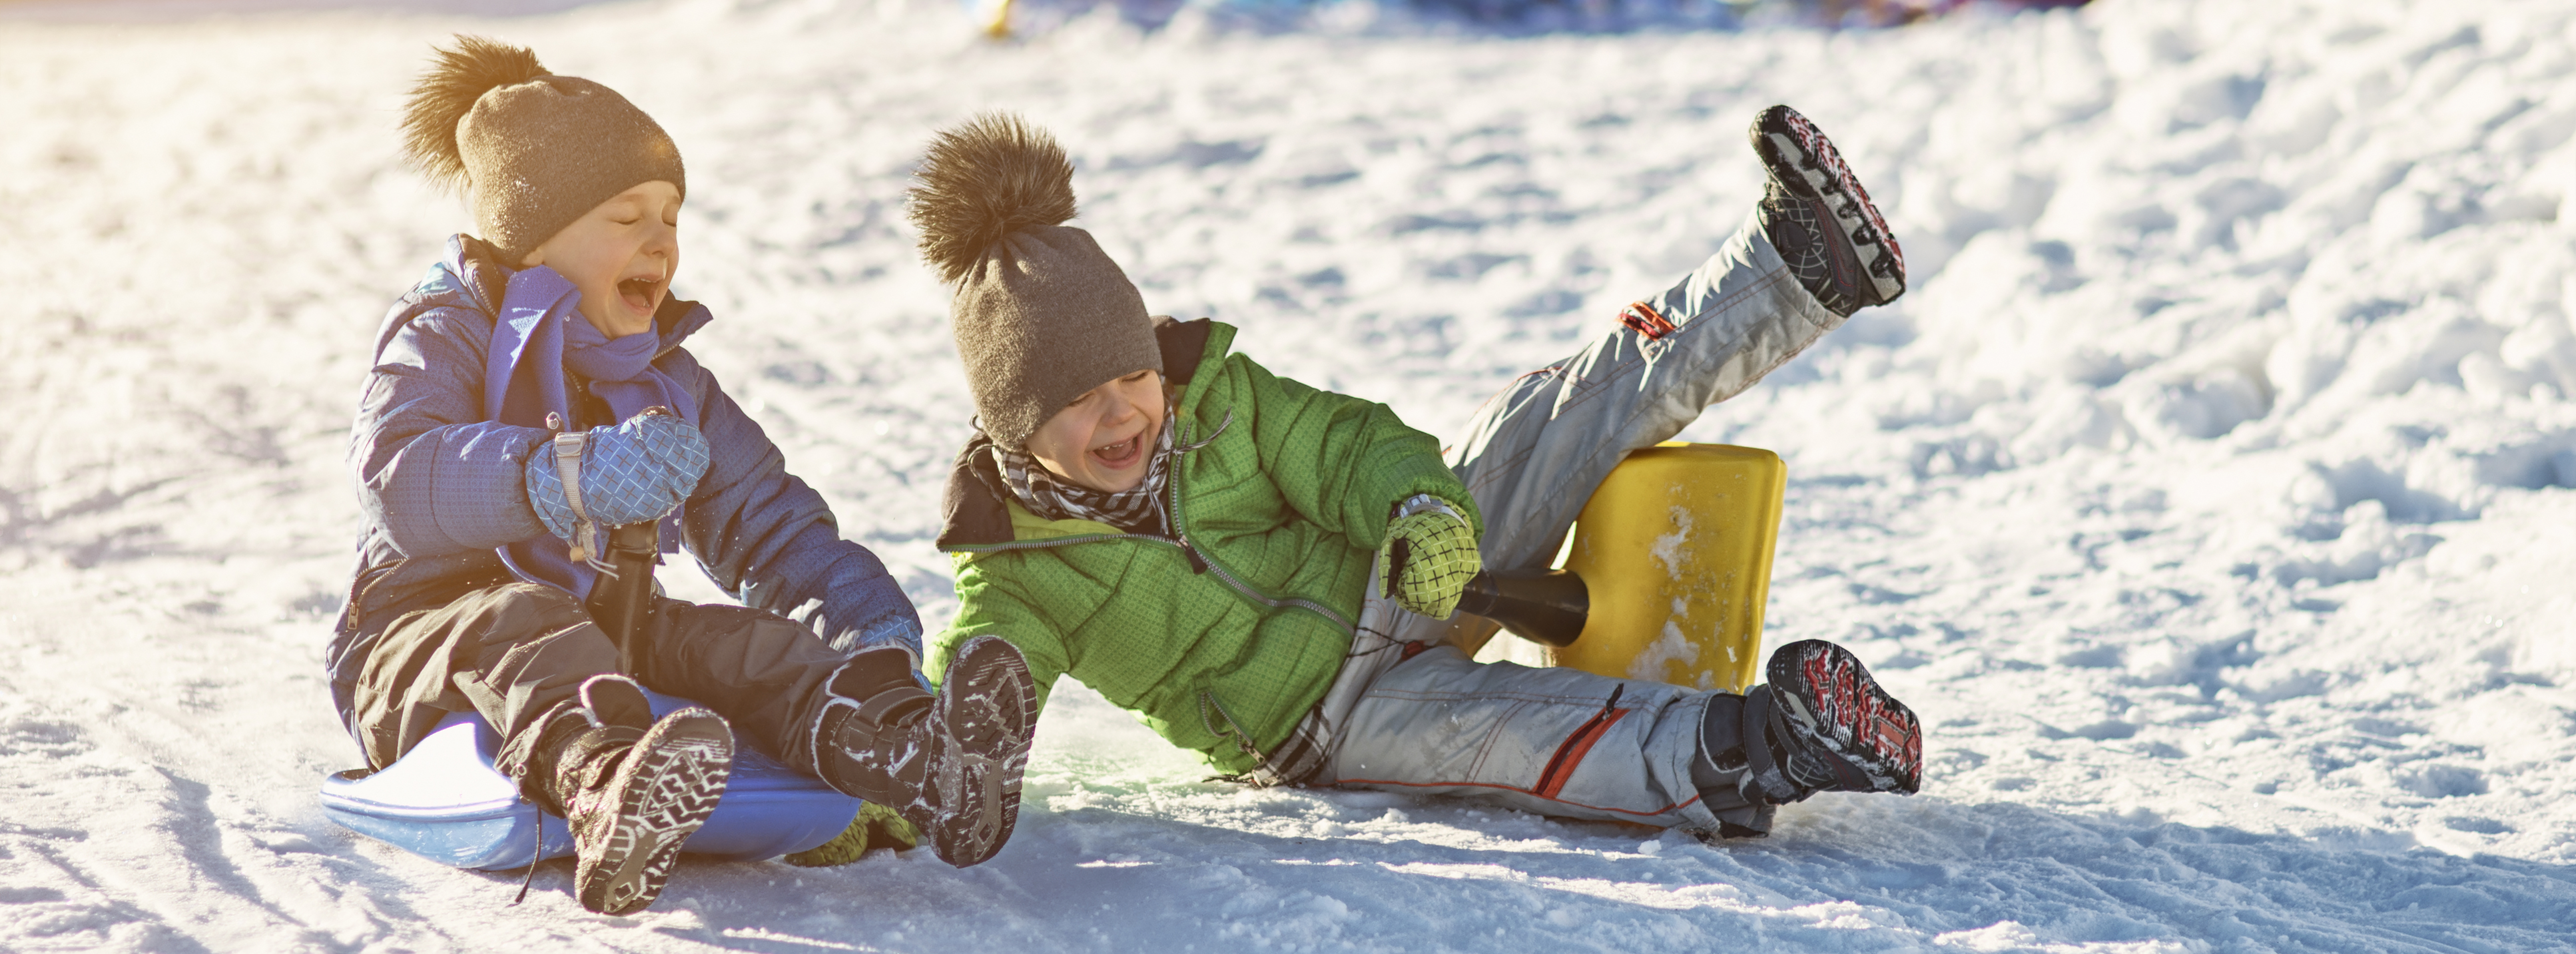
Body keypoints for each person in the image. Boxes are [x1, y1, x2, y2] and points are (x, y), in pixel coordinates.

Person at [911, 106, 1922, 840]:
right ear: (1018, 423)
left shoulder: (1220, 398)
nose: (1125, 408)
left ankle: (1791, 269)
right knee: (1510, 737)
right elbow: (974, 690)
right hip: (1326, 725)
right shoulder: (1018, 572)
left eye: (1133, 372)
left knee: (1547, 413)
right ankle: (1759, 747)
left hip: (1395, 570)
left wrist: (1422, 507)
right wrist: (908, 776)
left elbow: (1349, 445)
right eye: (1082, 399)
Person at [328, 37, 1037, 914]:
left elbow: (771, 526)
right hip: (421, 648)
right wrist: (564, 480)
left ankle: (902, 751)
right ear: (534, 237)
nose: (661, 242)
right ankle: (604, 783)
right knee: (524, 620)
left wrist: (874, 642)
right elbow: (396, 482)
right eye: (627, 218)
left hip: (606, 631)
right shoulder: (445, 331)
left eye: (671, 218)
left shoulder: (661, 381)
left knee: (743, 646)